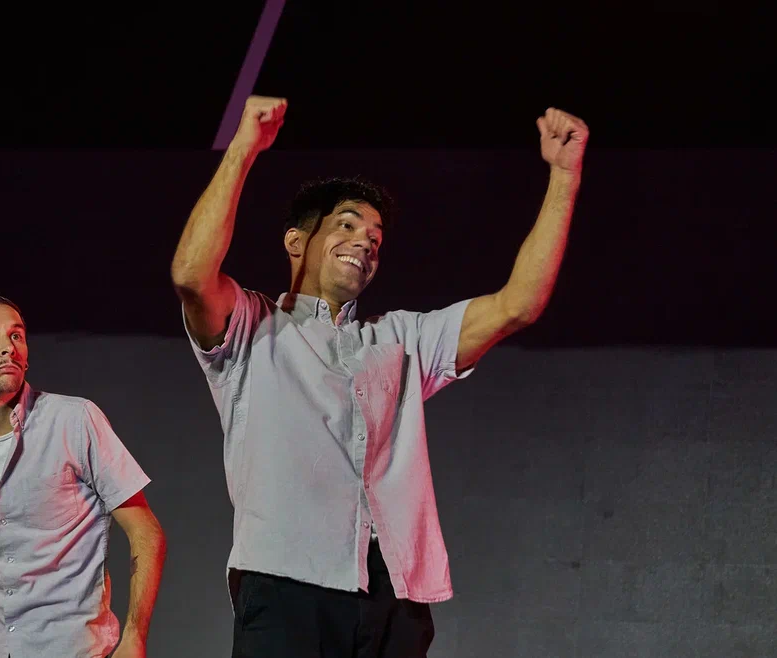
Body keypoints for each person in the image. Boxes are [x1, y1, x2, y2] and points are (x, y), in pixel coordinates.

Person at [171, 96, 588, 657]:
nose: (365, 242)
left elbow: (518, 305)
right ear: (296, 241)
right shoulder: (254, 326)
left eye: (375, 238)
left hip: (394, 594)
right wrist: (245, 146)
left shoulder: (401, 337)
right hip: (285, 581)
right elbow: (191, 274)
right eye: (346, 225)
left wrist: (564, 175)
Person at [0, 294, 166, 658]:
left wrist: (134, 638)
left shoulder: (74, 421)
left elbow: (146, 531)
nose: (8, 348)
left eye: (16, 336)